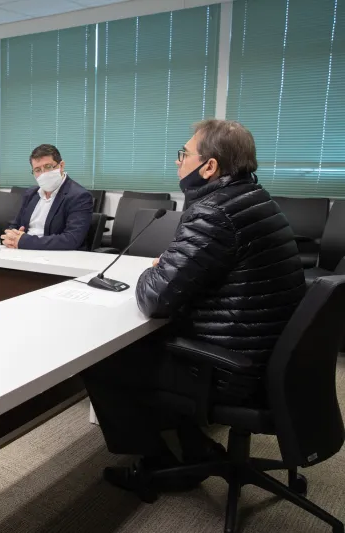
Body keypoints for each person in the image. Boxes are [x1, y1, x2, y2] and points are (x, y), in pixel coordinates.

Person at [80, 119, 305, 497]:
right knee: (146, 346)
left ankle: (157, 465)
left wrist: (150, 271)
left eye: (183, 154)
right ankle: (194, 443)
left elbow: (155, 299)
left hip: (233, 367)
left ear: (210, 167)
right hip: (267, 352)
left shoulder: (214, 211)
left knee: (104, 361)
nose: (178, 162)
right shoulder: (255, 199)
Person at [2, 144, 94, 250]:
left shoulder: (79, 196)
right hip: (23, 253)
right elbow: (15, 226)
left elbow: (72, 239)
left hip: (57, 257)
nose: (43, 173)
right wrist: (9, 238)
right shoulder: (30, 194)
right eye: (37, 170)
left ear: (61, 166)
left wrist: (25, 242)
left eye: (48, 167)